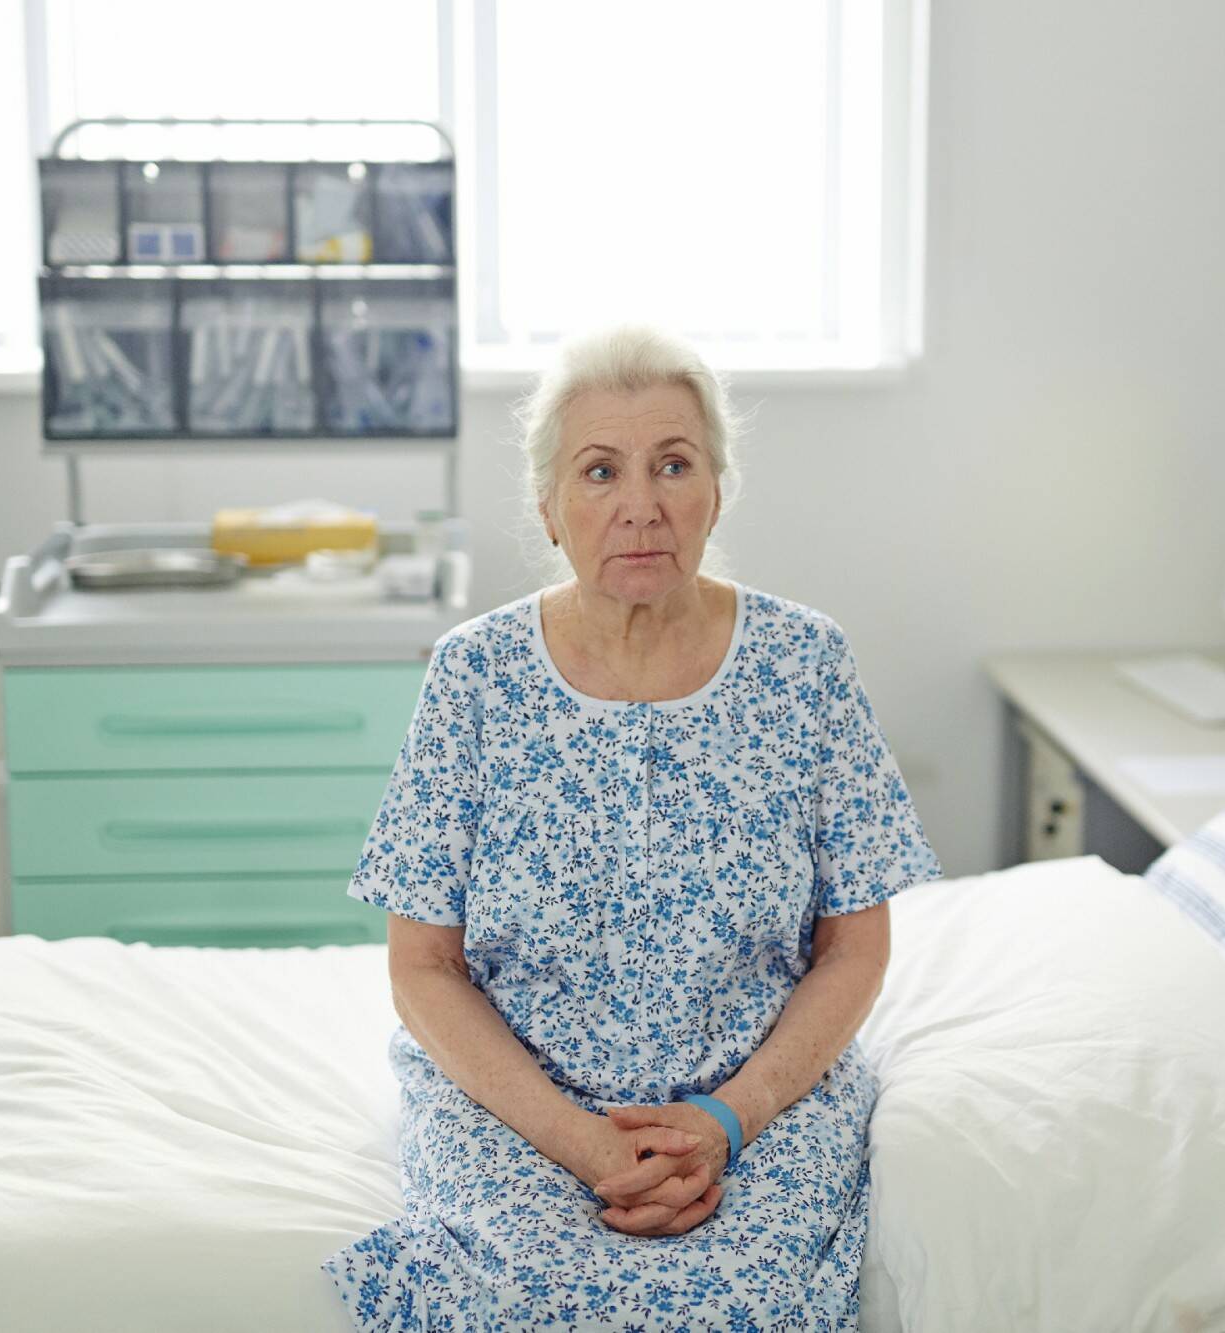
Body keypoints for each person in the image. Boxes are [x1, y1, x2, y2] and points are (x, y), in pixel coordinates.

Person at [323, 324, 940, 1331]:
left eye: (672, 465)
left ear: (715, 489)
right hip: (521, 1104)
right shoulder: (473, 676)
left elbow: (854, 948)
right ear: (550, 508)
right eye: (599, 470)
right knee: (518, 1293)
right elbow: (422, 969)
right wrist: (583, 1142)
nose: (640, 505)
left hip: (754, 1102)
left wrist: (727, 1120)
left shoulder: (805, 665)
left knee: (748, 1300)